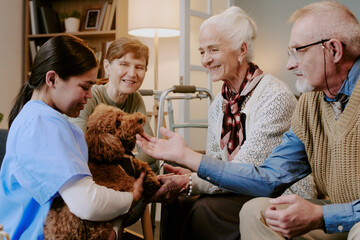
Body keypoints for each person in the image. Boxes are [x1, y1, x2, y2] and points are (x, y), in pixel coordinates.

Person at [137, 1, 360, 239]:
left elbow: (252, 168)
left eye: (299, 51)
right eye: (202, 52)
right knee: (253, 212)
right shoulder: (310, 104)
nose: (289, 64)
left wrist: (321, 216)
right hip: (324, 210)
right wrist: (189, 164)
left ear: (334, 50)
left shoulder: (276, 96)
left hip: (342, 215)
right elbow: (269, 176)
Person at [0, 35, 145, 239]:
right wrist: (130, 198)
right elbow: (86, 203)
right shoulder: (41, 124)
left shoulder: (41, 118)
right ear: (52, 79)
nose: (89, 94)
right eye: (84, 87)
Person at [69, 36, 156, 167]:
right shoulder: (89, 95)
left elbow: (149, 149)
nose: (132, 74)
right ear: (107, 67)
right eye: (124, 64)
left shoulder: (135, 98)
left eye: (139, 67)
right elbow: (76, 144)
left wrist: (128, 167)